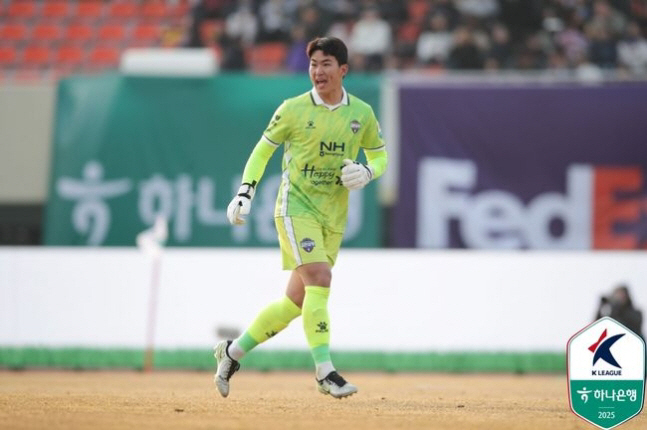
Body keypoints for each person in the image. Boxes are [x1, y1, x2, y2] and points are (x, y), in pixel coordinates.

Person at [213, 36, 388, 399]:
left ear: (343, 70)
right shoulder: (292, 109)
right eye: (313, 64)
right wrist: (246, 191)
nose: (318, 71)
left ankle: (231, 352)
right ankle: (325, 371)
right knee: (320, 278)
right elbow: (261, 152)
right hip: (294, 208)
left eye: (326, 64)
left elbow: (380, 156)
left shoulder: (362, 114)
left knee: (294, 302)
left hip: (332, 216)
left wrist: (369, 172)